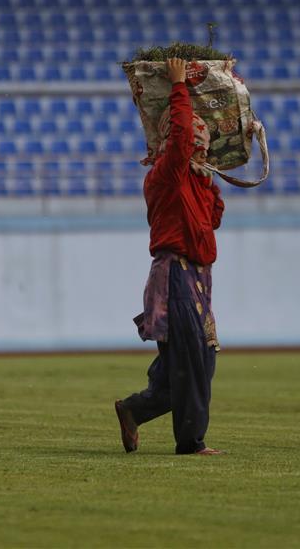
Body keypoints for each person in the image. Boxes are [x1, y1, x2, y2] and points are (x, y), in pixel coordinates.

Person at [115, 58, 225, 456]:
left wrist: (209, 184)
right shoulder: (165, 172)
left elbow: (212, 219)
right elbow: (179, 142)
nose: (199, 146)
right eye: (196, 142)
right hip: (176, 274)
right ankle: (190, 442)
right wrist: (180, 87)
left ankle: (135, 409)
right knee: (193, 358)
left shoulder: (193, 180)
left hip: (196, 277)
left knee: (197, 360)